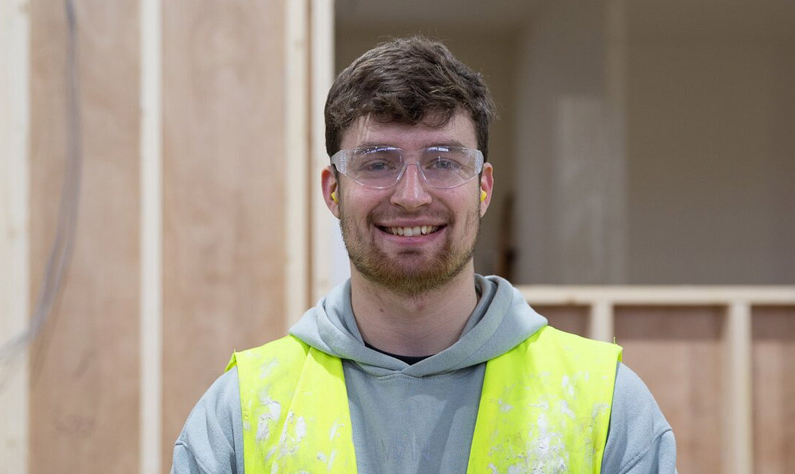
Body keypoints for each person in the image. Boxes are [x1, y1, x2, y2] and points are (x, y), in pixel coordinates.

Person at [171, 36, 676, 473]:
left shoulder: (604, 408)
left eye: (442, 161)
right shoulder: (241, 415)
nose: (411, 195)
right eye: (376, 162)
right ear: (333, 191)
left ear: (483, 187)